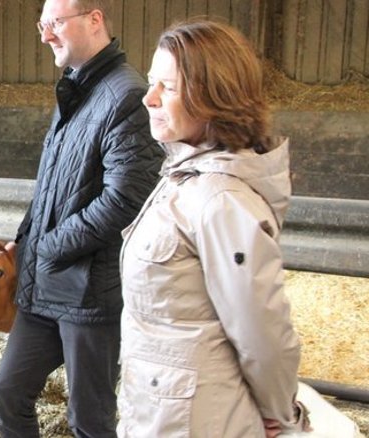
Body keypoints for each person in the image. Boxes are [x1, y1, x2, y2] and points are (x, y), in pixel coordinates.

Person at [117, 20, 310, 437]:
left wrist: (282, 412)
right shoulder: (183, 179)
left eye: (166, 88)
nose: (148, 98)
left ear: (212, 96)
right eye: (152, 84)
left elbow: (262, 331)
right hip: (160, 409)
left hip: (200, 420)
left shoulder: (221, 201)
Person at [0, 0, 163, 436]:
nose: (45, 35)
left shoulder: (126, 95)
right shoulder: (76, 86)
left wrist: (49, 246)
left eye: (55, 24)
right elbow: (51, 183)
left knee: (89, 419)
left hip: (90, 294)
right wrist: (23, 242)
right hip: (44, 284)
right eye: (42, 25)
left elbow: (127, 196)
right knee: (7, 393)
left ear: (95, 19)